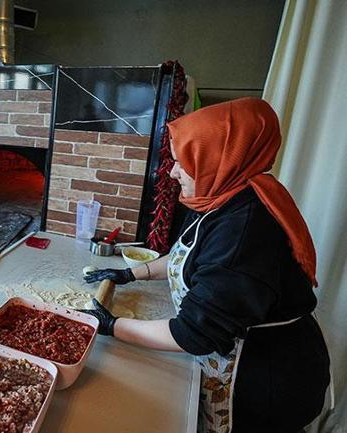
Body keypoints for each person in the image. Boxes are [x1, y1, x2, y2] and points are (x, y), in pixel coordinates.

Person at [84, 98, 330, 433]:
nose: (173, 173)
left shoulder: (245, 229)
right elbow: (186, 256)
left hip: (264, 380)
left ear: (218, 158)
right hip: (235, 358)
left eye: (182, 162)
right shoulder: (222, 196)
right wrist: (129, 274)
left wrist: (112, 325)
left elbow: (193, 334)